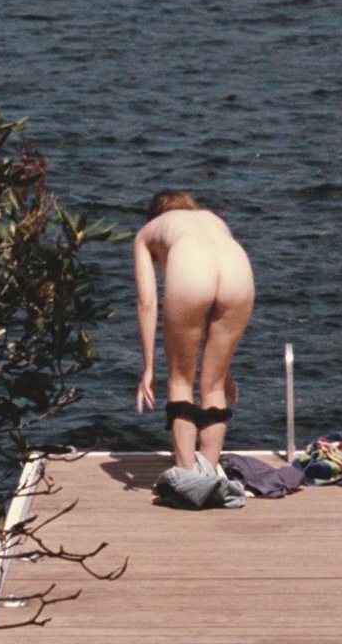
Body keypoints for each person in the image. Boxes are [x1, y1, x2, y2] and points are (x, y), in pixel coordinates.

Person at [133, 189, 256, 474]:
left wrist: (149, 367)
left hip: (191, 271)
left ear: (155, 215)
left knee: (180, 383)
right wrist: (225, 369)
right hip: (239, 271)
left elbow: (146, 302)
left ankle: (187, 476)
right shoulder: (214, 221)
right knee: (214, 386)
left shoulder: (148, 232)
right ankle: (209, 473)